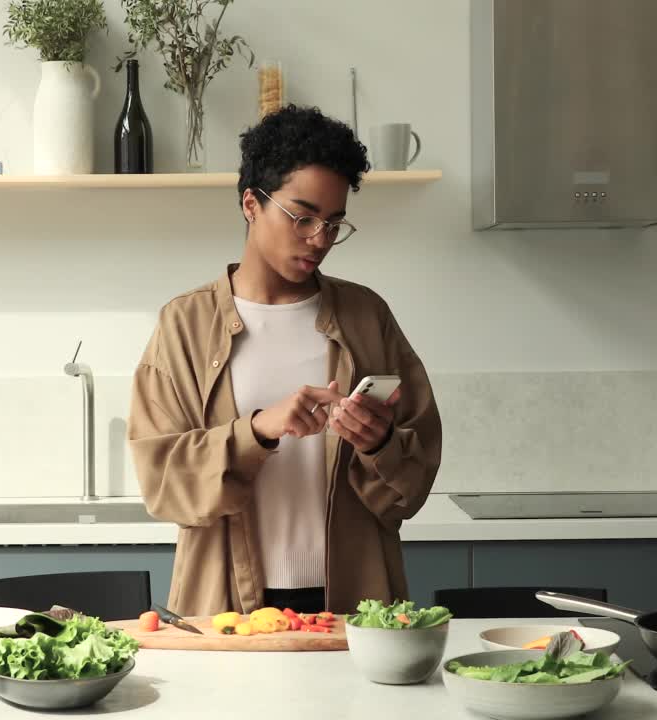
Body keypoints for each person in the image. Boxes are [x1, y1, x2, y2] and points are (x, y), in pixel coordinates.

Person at [128, 105, 442, 616]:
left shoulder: (367, 316)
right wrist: (260, 431)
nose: (320, 239)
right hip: (225, 604)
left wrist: (380, 443)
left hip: (355, 602)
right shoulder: (184, 325)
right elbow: (163, 485)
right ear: (252, 204)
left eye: (334, 222)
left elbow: (414, 481)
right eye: (303, 217)